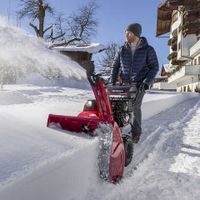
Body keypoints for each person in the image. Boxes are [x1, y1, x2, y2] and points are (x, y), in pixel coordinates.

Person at [111, 23, 159, 143]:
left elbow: (155, 67)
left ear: (136, 34)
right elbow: (115, 66)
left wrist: (147, 82)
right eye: (126, 32)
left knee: (134, 108)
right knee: (117, 106)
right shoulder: (122, 49)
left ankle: (135, 133)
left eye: (129, 33)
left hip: (139, 84)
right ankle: (116, 129)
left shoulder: (148, 49)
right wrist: (112, 82)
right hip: (124, 84)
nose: (126, 35)